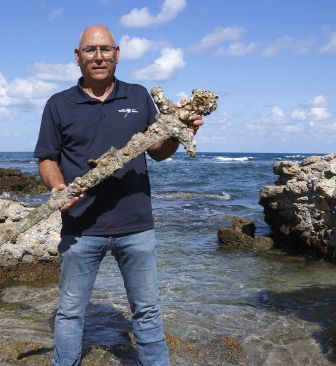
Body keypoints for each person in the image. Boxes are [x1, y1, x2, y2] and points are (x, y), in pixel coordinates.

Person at [34, 24, 203, 366]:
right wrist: (57, 188)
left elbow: (157, 150)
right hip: (80, 227)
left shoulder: (138, 96)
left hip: (136, 225)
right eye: (90, 50)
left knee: (147, 311)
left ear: (117, 54)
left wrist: (179, 131)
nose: (98, 56)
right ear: (77, 56)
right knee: (69, 313)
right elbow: (47, 157)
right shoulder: (58, 104)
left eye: (105, 49)